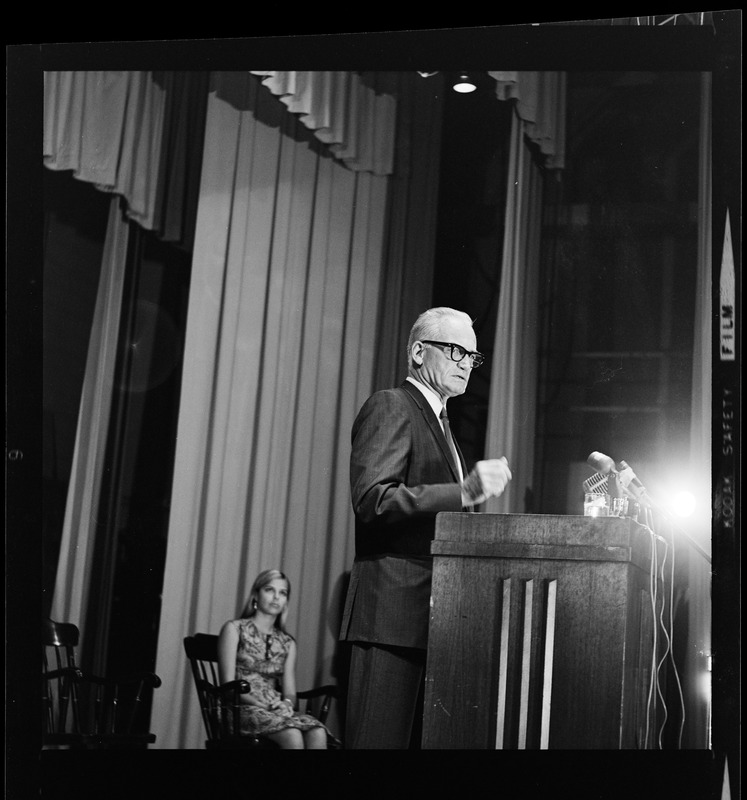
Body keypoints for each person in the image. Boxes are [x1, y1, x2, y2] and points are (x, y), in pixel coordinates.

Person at [338, 306, 512, 749]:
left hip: (438, 620)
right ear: (418, 351)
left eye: (472, 357)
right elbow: (373, 499)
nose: (465, 365)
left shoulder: (442, 422)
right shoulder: (392, 405)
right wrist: (464, 492)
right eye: (455, 350)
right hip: (392, 619)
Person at [218, 568, 329, 749]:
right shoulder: (234, 629)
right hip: (240, 709)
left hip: (273, 709)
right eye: (269, 590)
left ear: (286, 602)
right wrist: (262, 705)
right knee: (293, 735)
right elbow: (228, 686)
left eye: (282, 593)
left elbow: (290, 693)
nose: (276, 597)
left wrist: (285, 704)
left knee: (318, 732)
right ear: (256, 595)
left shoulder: (287, 643)